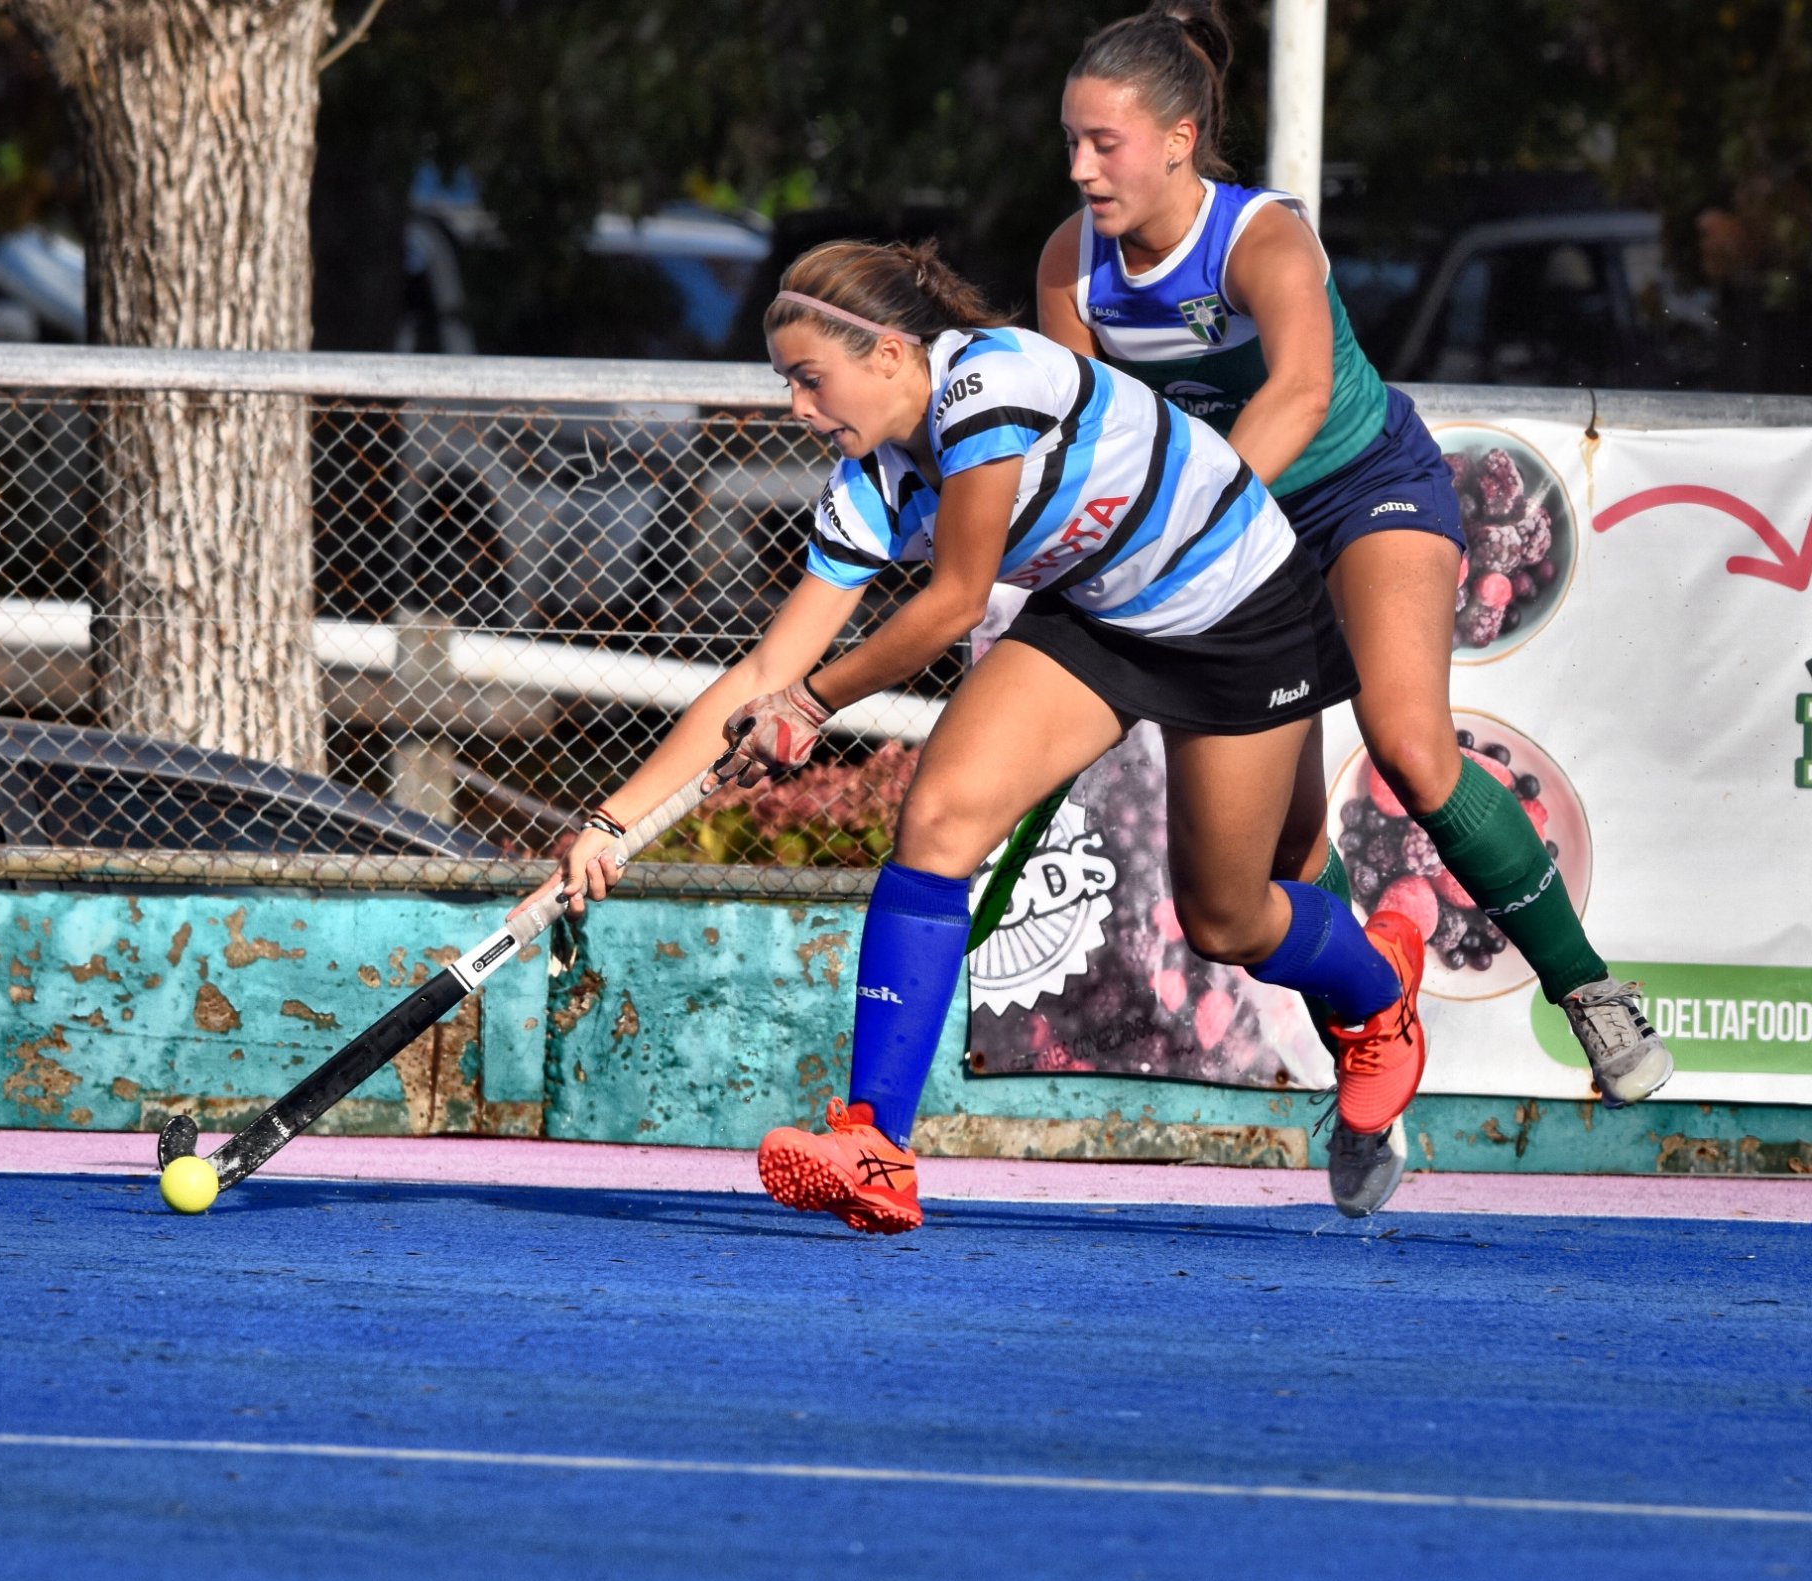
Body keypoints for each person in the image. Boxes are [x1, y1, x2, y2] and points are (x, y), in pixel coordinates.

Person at [537, 237, 1425, 1233]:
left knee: (1224, 920)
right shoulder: (866, 487)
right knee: (939, 822)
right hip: (1097, 613)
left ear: (886, 356)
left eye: (808, 379)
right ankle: (877, 1148)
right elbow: (758, 674)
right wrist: (611, 821)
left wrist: (810, 706)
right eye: (787, 383)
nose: (796, 407)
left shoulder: (986, 382)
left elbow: (957, 599)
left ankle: (1377, 984)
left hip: (1235, 608)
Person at [1031, 1, 1672, 1188]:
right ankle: (1371, 1037)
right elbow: (1087, 429)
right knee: (1275, 858)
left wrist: (1186, 513)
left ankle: (1586, 986)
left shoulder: (1261, 236)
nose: (1078, 169)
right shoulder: (1069, 262)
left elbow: (1297, 395)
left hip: (1352, 491)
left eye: (1101, 143)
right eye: (1067, 141)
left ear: (1178, 138)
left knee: (1407, 740)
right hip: (1224, 535)